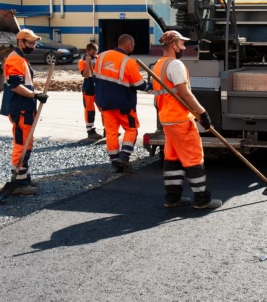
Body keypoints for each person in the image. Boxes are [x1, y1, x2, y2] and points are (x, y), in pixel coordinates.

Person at [152, 30, 221, 210]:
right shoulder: (175, 65)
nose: (184, 47)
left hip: (167, 120)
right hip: (181, 119)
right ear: (174, 45)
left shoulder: (158, 65)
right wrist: (202, 113)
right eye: (182, 44)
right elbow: (184, 93)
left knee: (173, 159)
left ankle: (172, 198)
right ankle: (202, 199)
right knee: (193, 158)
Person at [0, 29, 49, 195]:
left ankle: (24, 177)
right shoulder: (15, 59)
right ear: (21, 42)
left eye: (34, 43)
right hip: (20, 108)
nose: (33, 46)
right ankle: (19, 184)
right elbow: (15, 86)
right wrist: (35, 95)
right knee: (22, 144)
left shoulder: (21, 59)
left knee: (27, 142)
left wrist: (34, 96)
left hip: (25, 108)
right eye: (30, 43)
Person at [93, 34, 152, 173]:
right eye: (133, 45)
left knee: (111, 133)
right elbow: (139, 85)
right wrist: (152, 85)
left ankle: (115, 162)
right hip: (124, 104)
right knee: (131, 129)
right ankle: (124, 157)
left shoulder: (101, 56)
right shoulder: (129, 62)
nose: (133, 48)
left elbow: (96, 77)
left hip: (105, 103)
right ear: (129, 45)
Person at [78, 42, 103, 140]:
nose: (95, 54)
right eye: (93, 52)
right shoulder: (82, 62)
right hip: (88, 86)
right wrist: (88, 63)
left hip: (98, 85)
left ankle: (108, 129)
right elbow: (85, 74)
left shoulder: (98, 60)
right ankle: (91, 131)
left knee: (103, 107)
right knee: (89, 109)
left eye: (96, 52)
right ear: (87, 52)